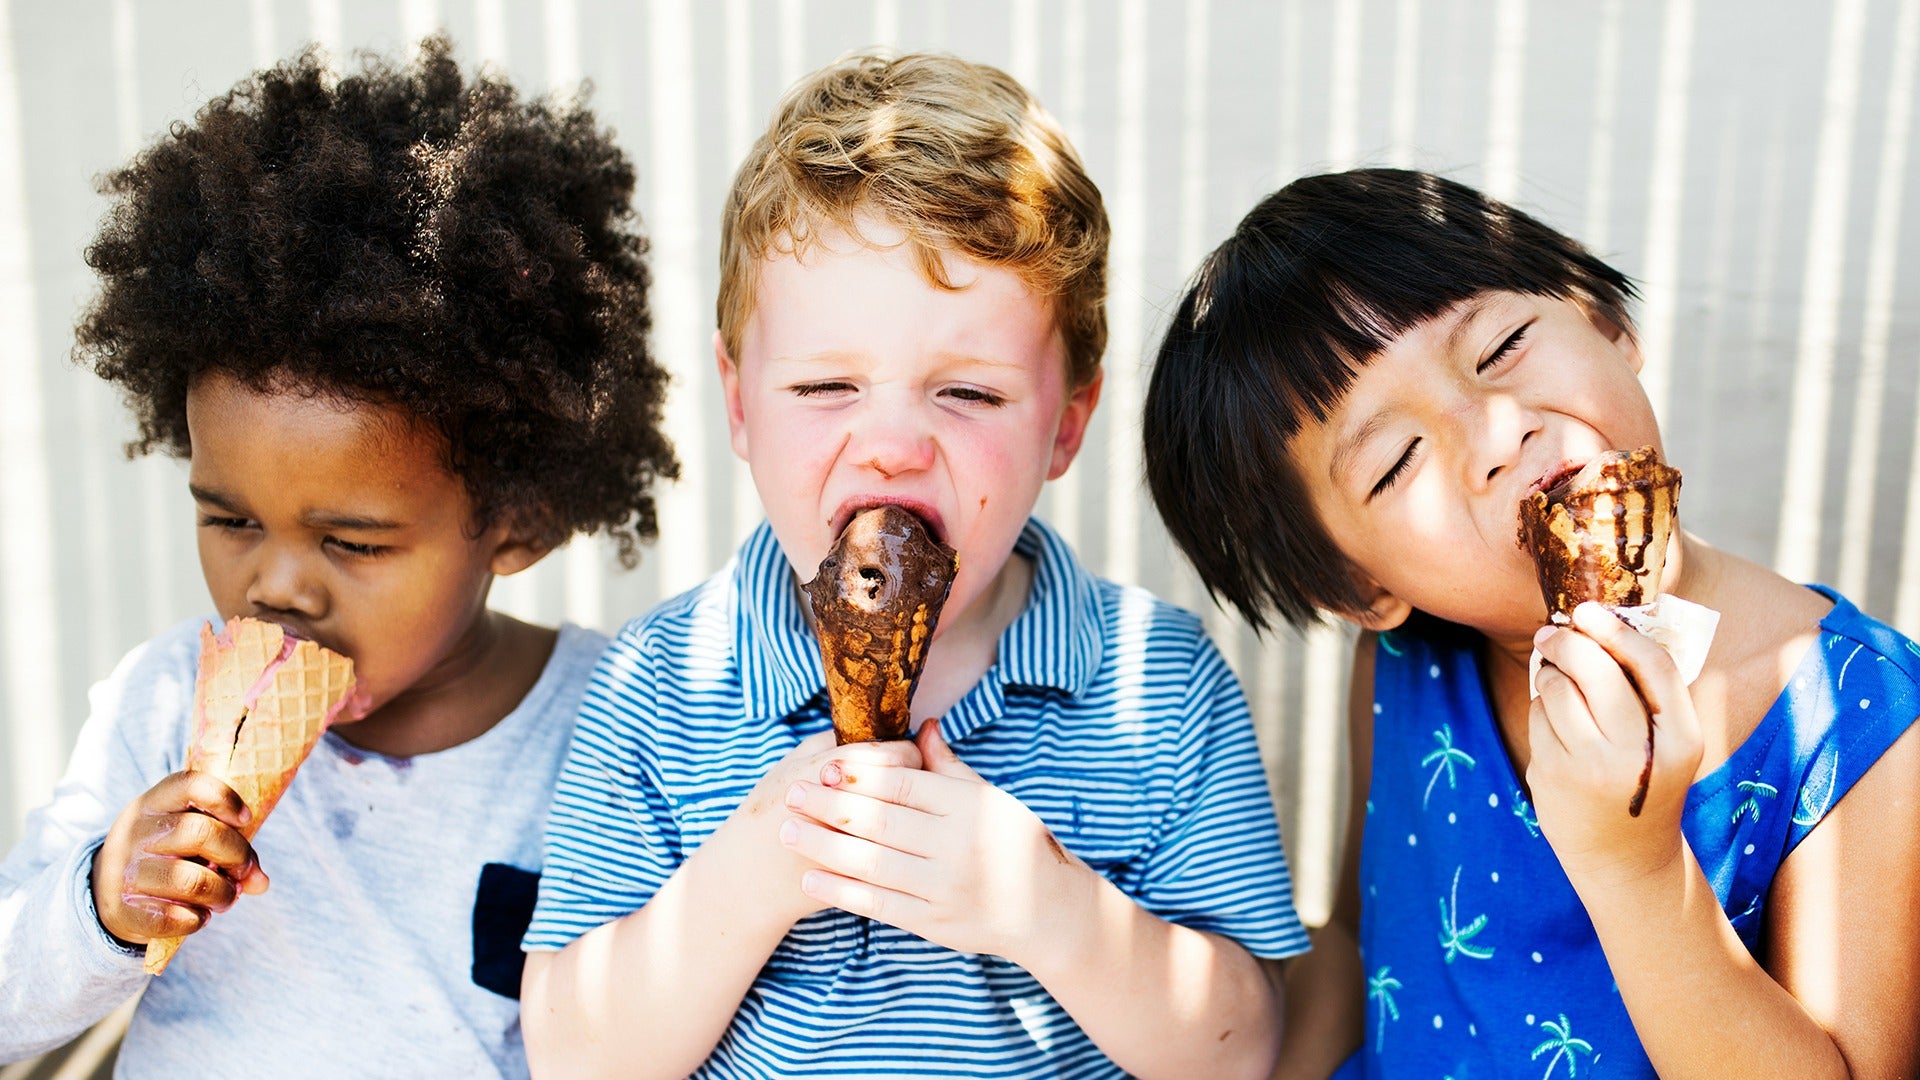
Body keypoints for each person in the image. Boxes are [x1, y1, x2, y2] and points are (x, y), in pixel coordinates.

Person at [519, 51, 1308, 1080]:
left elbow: (1241, 1050)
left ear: (1067, 424)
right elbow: (575, 1058)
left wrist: (1048, 908)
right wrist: (761, 866)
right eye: (827, 385)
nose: (892, 443)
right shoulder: (657, 688)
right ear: (740, 401)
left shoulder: (1158, 684)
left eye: (968, 394)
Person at [1142, 167, 1920, 1079]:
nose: (1493, 432)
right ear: (1362, 588)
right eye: (1396, 462)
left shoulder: (1859, 720)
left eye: (1503, 344)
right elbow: (1365, 949)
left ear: (1603, 318)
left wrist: (1635, 869)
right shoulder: (1403, 664)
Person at [0, 36, 676, 1078]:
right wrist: (102, 899)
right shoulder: (160, 705)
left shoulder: (618, 731)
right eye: (230, 520)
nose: (272, 584)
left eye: (351, 541)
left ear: (520, 520)